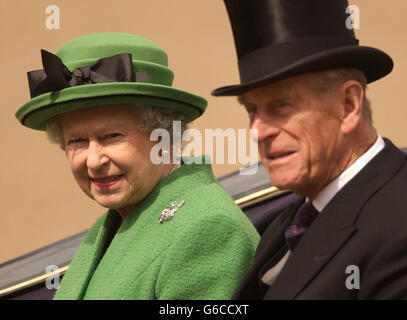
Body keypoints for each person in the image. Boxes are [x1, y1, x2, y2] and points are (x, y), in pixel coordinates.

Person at [15, 32, 260, 299]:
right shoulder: (111, 223)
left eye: (112, 137)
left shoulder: (208, 230)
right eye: (77, 141)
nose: (94, 161)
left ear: (163, 134)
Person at [212, 0, 407, 299]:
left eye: (282, 105)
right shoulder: (294, 217)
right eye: (252, 110)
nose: (257, 131)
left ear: (348, 106)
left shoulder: (399, 227)